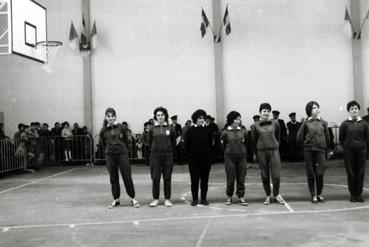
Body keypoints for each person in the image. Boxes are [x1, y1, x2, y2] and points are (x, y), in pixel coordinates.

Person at [99, 107, 139, 208]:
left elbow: (126, 140)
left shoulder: (121, 127)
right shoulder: (103, 130)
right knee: (113, 177)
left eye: (112, 116)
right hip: (110, 156)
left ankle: (133, 198)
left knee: (127, 176)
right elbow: (103, 144)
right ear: (106, 117)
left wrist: (122, 149)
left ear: (115, 116)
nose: (110, 118)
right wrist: (109, 151)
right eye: (108, 116)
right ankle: (116, 199)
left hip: (122, 154)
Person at [297, 101, 330, 204]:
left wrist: (327, 149)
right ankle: (313, 195)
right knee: (310, 173)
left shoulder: (323, 122)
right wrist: (305, 146)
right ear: (309, 111)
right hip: (309, 151)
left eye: (317, 107)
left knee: (320, 173)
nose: (316, 109)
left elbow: (328, 137)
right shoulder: (306, 123)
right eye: (313, 108)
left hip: (321, 151)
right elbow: (299, 137)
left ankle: (319, 193)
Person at [251, 103, 284, 205]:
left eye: (268, 111)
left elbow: (278, 136)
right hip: (261, 152)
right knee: (265, 175)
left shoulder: (275, 123)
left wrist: (276, 144)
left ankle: (276, 194)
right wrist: (254, 153)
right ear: (260, 112)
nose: (266, 113)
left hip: (274, 151)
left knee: (276, 175)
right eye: (264, 111)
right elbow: (253, 140)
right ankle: (268, 195)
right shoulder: (255, 125)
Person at [339, 101, 369, 203]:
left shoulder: (364, 124)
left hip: (361, 151)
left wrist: (362, 146)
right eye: (352, 109)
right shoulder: (344, 124)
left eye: (356, 108)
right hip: (349, 152)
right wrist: (348, 146)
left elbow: (367, 137)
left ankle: (358, 194)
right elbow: (341, 138)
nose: (354, 110)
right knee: (351, 173)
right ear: (349, 111)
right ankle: (352, 194)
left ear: (359, 110)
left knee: (360, 173)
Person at [149, 107, 176, 207]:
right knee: (155, 178)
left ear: (165, 116)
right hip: (155, 156)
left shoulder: (171, 128)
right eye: (158, 115)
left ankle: (167, 199)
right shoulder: (152, 129)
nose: (160, 117)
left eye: (162, 115)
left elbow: (173, 143)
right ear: (155, 117)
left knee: (167, 177)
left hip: (168, 155)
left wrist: (167, 149)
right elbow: (149, 143)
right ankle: (155, 198)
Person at [185, 109, 213, 206]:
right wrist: (191, 156)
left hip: (206, 159)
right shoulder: (190, 131)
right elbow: (187, 146)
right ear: (195, 119)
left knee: (205, 180)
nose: (202, 120)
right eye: (199, 118)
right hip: (194, 160)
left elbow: (210, 144)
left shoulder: (208, 130)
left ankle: (204, 198)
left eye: (203, 118)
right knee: (194, 180)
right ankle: (195, 199)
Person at [221, 111, 248, 206]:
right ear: (231, 120)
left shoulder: (243, 131)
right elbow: (223, 145)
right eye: (237, 119)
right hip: (230, 158)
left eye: (239, 118)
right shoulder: (225, 132)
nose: (239, 120)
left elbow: (247, 143)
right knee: (230, 178)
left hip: (242, 158)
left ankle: (241, 196)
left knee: (241, 178)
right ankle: (229, 196)